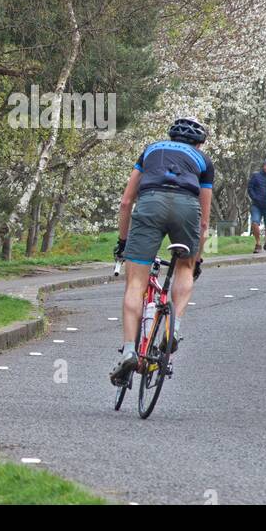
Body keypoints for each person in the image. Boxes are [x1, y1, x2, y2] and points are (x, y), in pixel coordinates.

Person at [110, 117, 213, 385]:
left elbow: (125, 202)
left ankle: (129, 352)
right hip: (187, 208)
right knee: (184, 268)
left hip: (150, 203)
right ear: (199, 144)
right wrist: (197, 258)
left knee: (135, 283)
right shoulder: (203, 162)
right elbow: (204, 221)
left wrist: (123, 242)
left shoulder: (151, 150)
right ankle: (173, 327)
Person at [247, 158, 266, 253]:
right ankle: (258, 244)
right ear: (263, 166)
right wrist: (255, 197)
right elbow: (250, 188)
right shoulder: (256, 176)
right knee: (254, 223)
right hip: (257, 205)